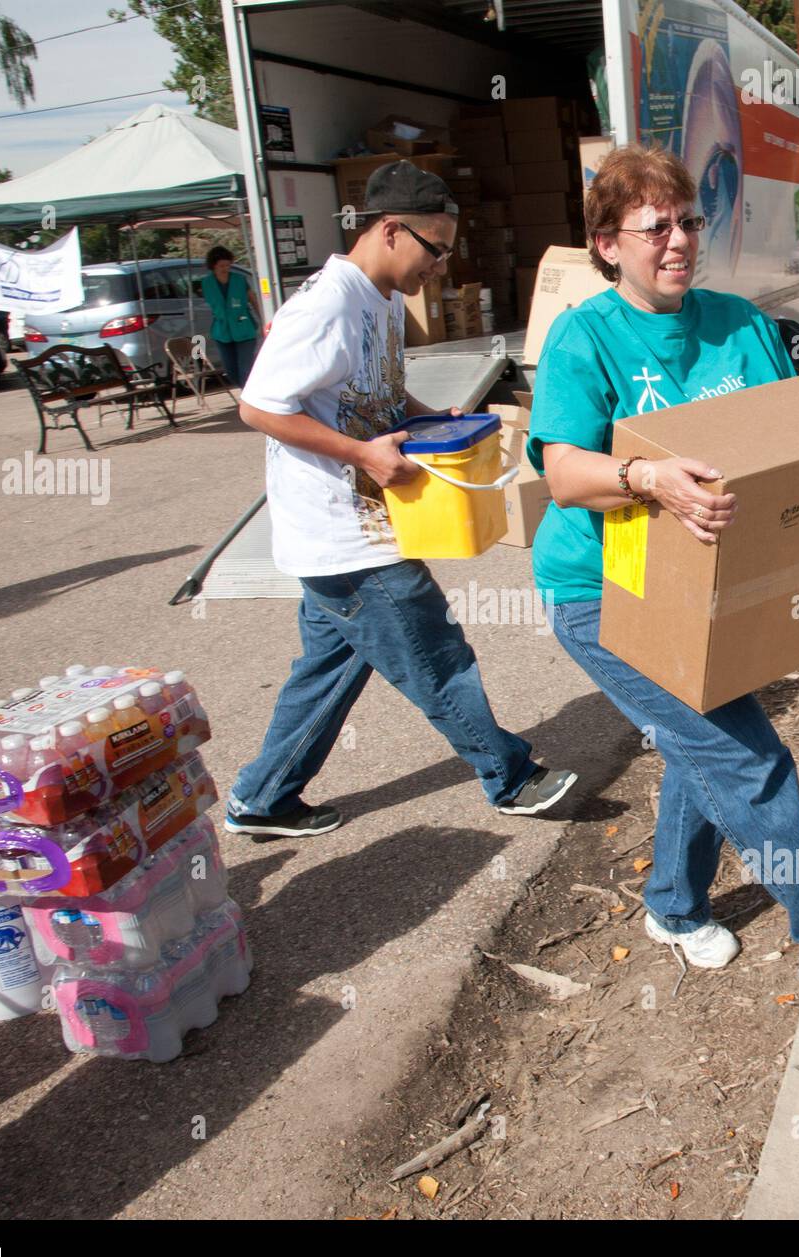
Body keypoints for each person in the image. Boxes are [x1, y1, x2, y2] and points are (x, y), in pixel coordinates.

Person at [527, 143, 799, 1017]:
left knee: (703, 750)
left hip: (711, 590)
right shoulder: (584, 336)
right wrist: (646, 477)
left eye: (689, 221)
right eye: (653, 226)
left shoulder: (739, 324)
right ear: (607, 245)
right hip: (607, 595)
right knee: (748, 756)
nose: (677, 241)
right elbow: (561, 473)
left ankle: (669, 904)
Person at [224, 160, 577, 838]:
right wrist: (361, 454)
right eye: (434, 249)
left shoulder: (383, 299)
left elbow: (372, 391)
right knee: (434, 652)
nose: (440, 266)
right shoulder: (327, 304)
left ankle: (262, 798)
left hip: (348, 527)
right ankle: (510, 777)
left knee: (330, 670)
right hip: (343, 531)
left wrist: (420, 417)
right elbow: (259, 407)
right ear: (390, 231)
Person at [202, 246, 262, 388]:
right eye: (221, 265)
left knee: (245, 368)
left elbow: (253, 299)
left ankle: (247, 397)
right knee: (230, 370)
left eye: (228, 265)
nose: (225, 269)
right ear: (213, 265)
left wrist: (262, 318)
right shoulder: (207, 283)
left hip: (244, 328)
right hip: (222, 331)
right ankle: (245, 392)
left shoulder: (239, 280)